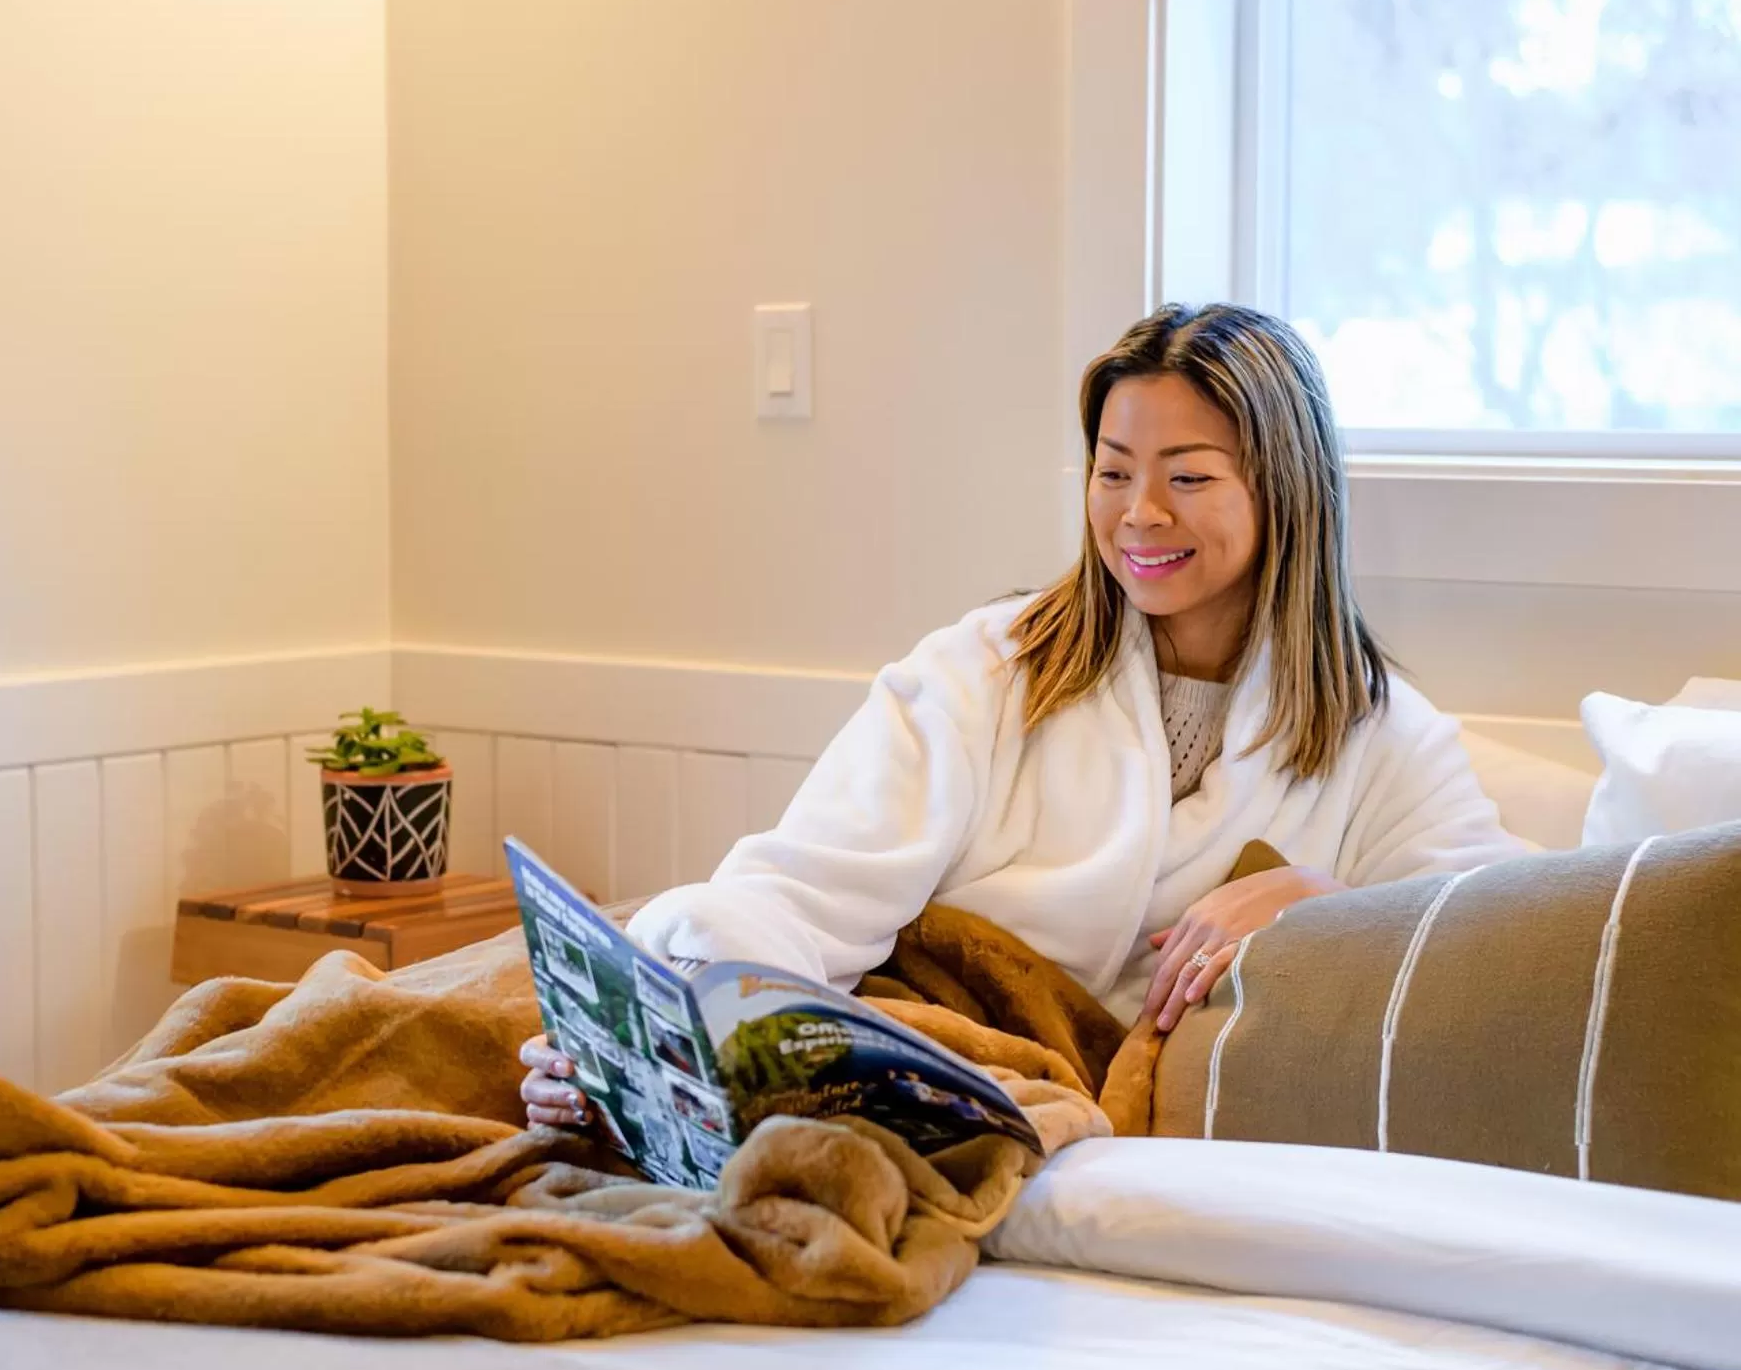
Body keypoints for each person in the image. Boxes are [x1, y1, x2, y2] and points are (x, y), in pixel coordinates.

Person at [520, 303, 1523, 1128]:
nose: (1138, 511)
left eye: (1186, 475)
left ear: (1285, 487)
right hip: (897, 1038)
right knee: (450, 1028)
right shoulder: (987, 670)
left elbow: (1493, 951)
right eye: (1113, 468)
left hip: (1051, 1102)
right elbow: (800, 887)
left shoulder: (1381, 739)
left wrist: (1320, 898)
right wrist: (654, 1017)